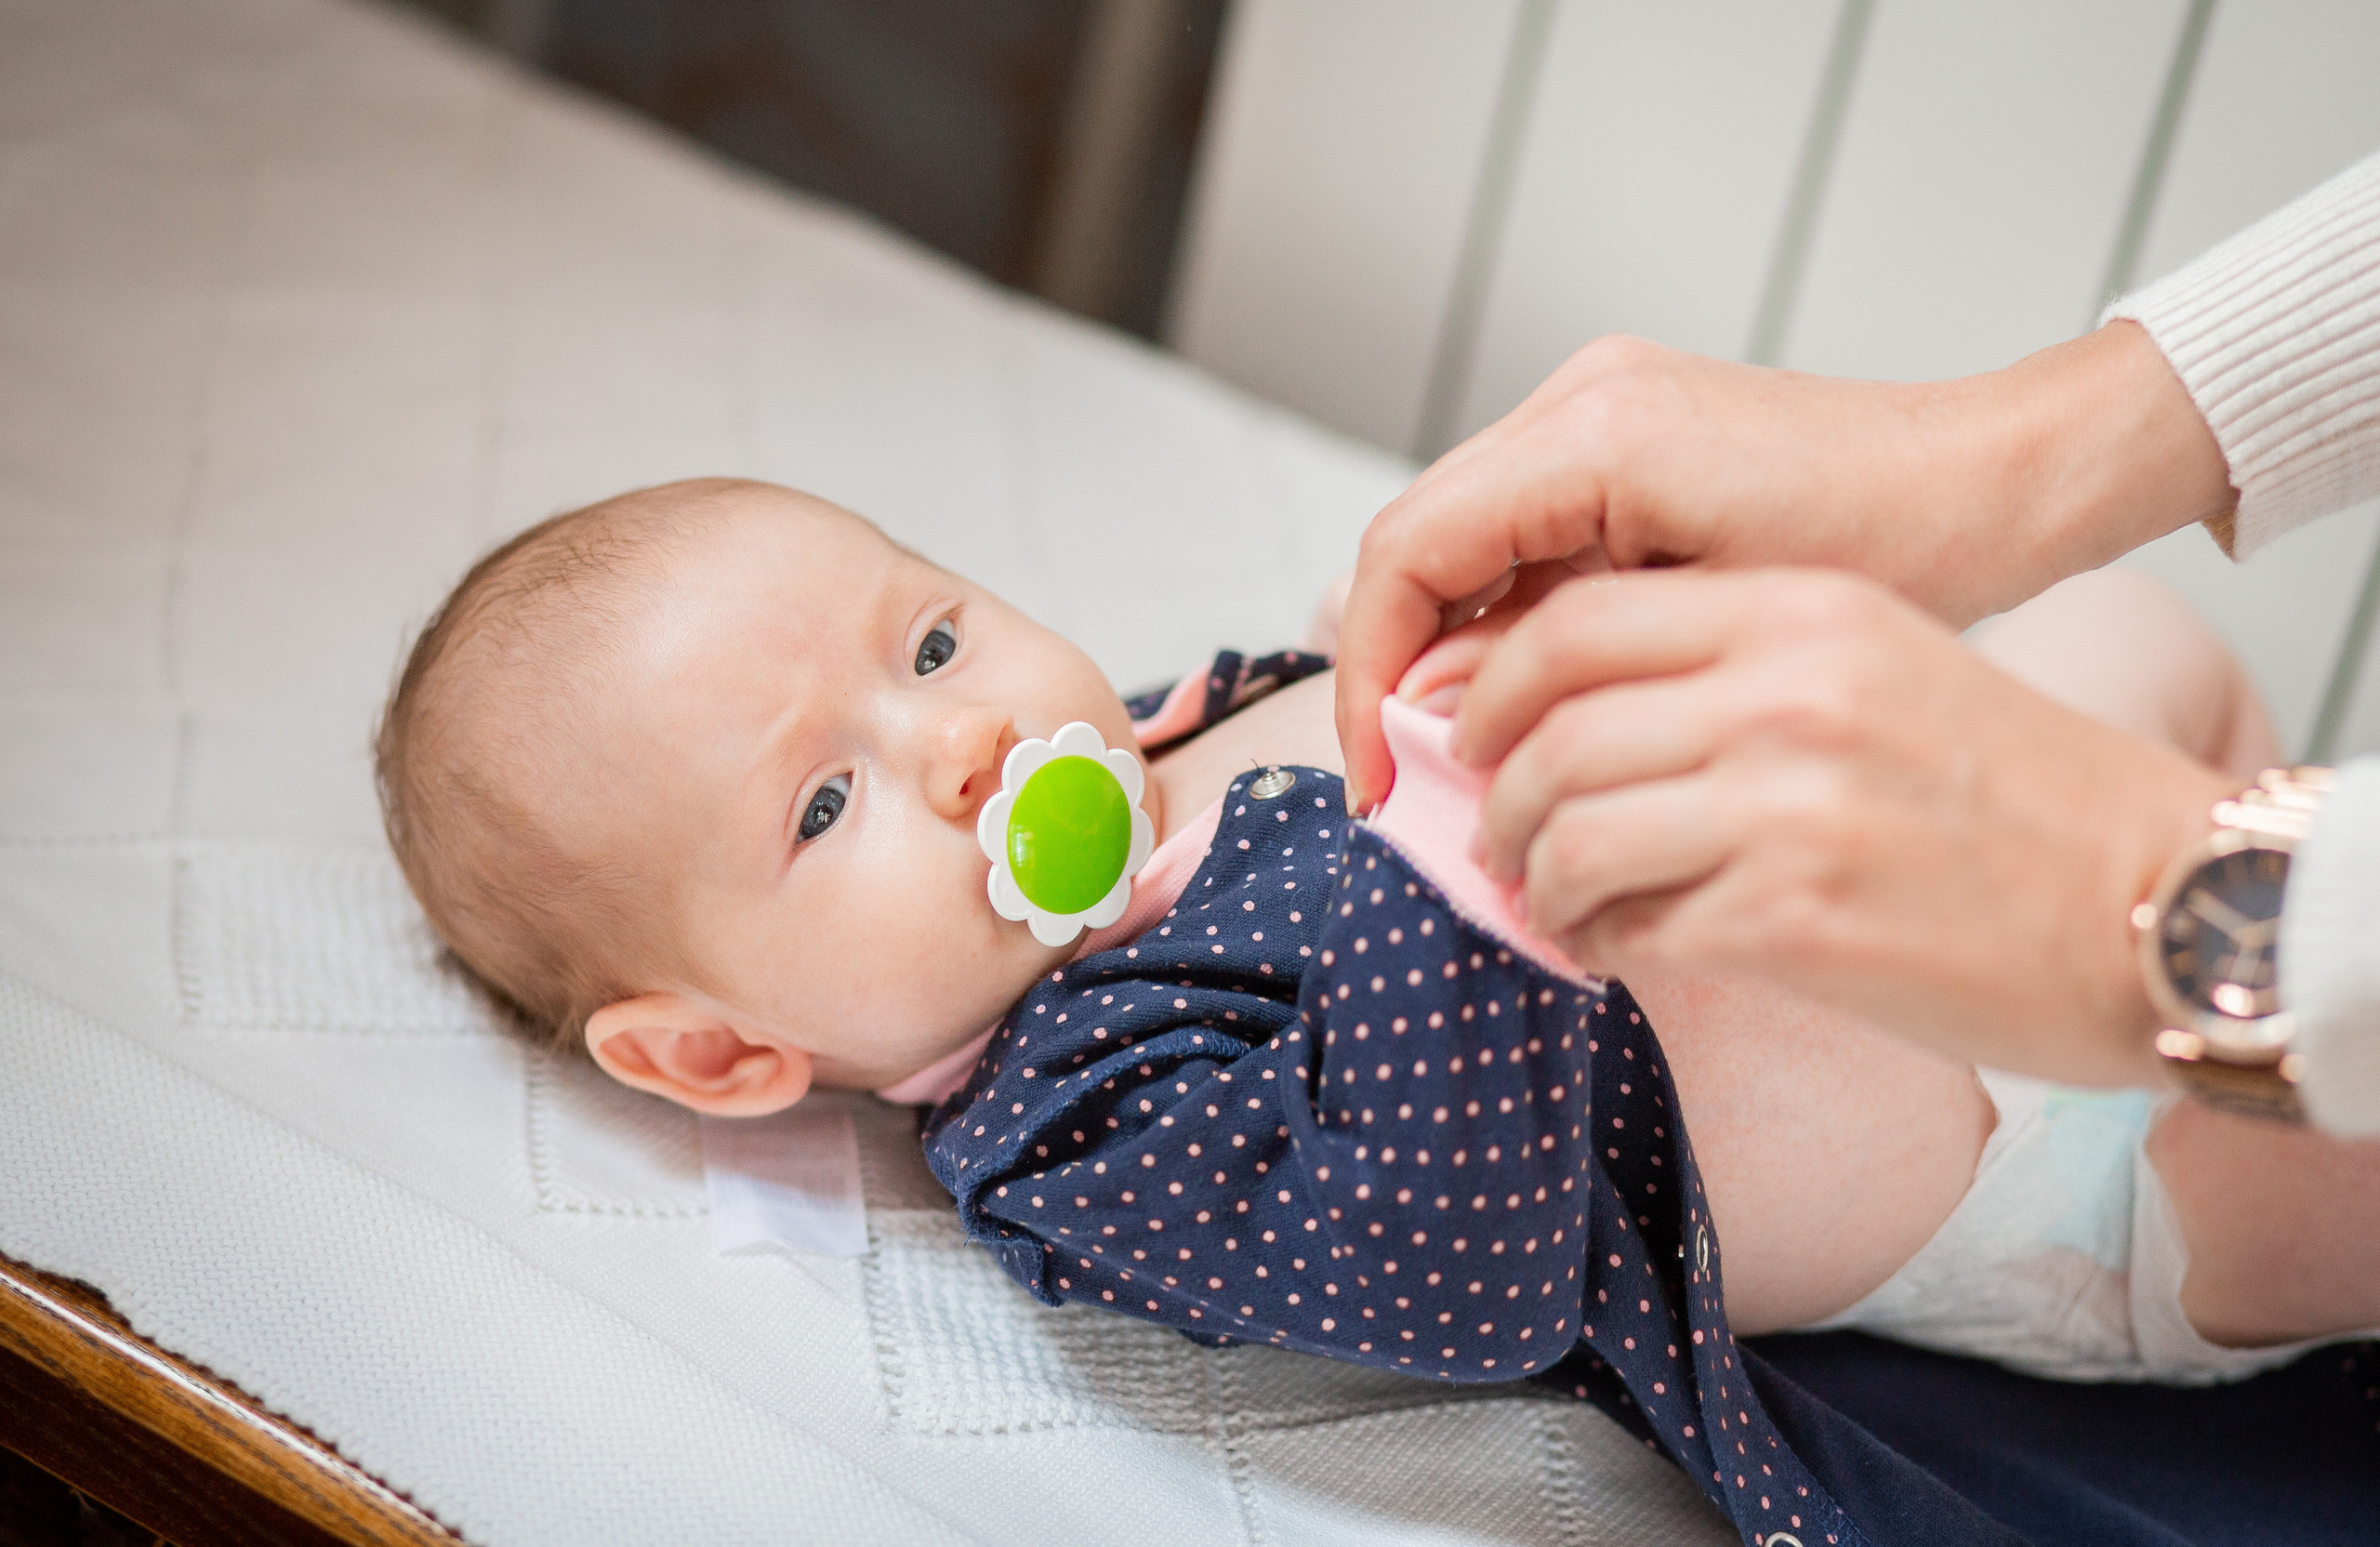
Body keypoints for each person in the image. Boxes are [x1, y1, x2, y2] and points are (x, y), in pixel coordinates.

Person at [374, 474, 2373, 1448]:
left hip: (1980, 868)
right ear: (723, 1050)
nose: (959, 740)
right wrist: (1461, 838)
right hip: (2065, 1168)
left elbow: (1401, 684)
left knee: (2127, 635)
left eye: (927, 642)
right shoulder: (1078, 1113)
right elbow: (1458, 1266)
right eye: (821, 808)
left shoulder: (1164, 736)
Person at [1335, 151, 2380, 1147]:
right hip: (2067, 1096)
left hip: (2196, 1059)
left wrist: (2140, 875)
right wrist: (2013, 468)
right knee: (2133, 628)